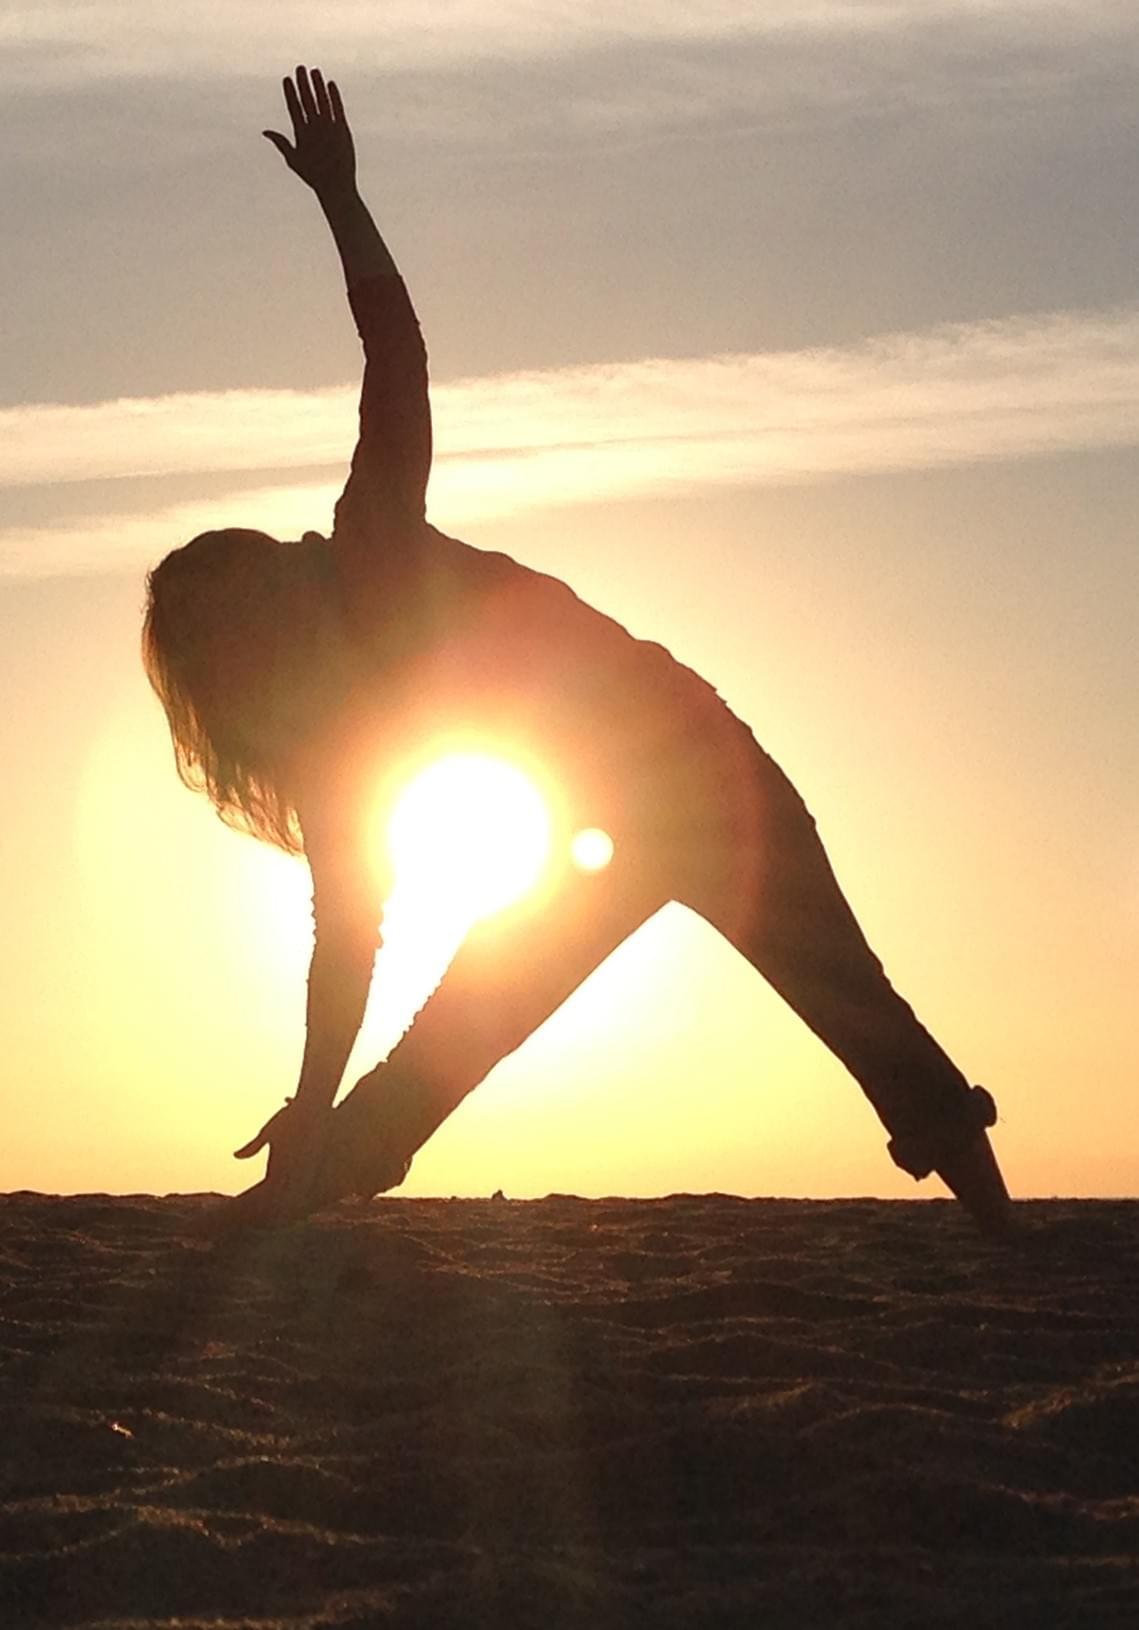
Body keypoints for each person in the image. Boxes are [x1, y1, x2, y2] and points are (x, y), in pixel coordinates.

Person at [142, 67, 1011, 1234]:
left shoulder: (370, 544)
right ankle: (303, 1190)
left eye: (252, 574)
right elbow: (347, 939)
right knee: (448, 1042)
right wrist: (308, 1103)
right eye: (239, 605)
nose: (276, 571)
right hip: (587, 836)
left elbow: (396, 359)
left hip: (704, 775)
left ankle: (1002, 1233)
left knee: (849, 1001)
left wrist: (341, 201)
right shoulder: (325, 734)